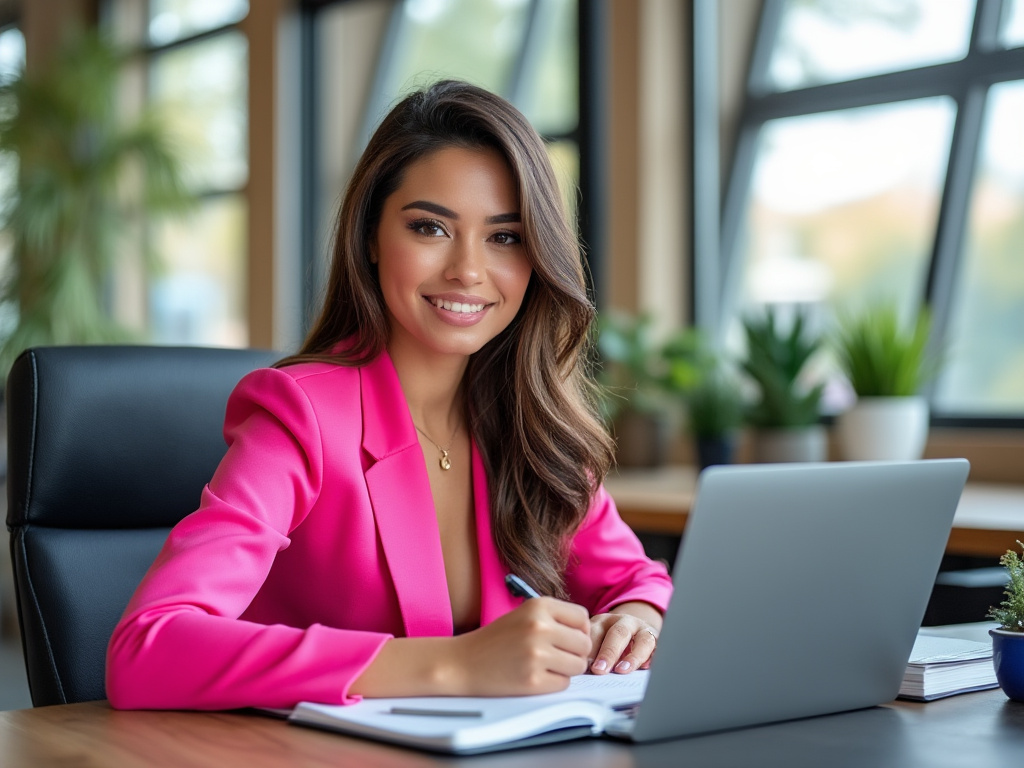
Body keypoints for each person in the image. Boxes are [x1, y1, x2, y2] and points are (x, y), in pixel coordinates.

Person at [106, 80, 672, 711]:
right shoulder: (302, 414)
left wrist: (635, 620)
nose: (468, 270)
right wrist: (452, 665)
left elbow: (634, 580)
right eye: (431, 227)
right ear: (371, 237)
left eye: (504, 237)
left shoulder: (530, 421)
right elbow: (145, 649)